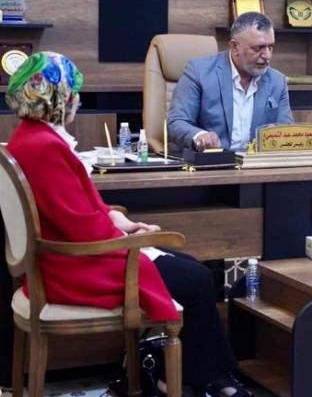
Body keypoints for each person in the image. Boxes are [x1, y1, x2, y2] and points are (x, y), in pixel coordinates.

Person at [6, 52, 252, 397]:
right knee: (197, 280)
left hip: (62, 261)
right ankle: (192, 379)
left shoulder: (28, 137)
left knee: (191, 269)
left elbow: (73, 209)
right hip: (74, 269)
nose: (78, 100)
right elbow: (80, 227)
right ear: (56, 97)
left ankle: (207, 376)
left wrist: (118, 220)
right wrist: (131, 238)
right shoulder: (46, 147)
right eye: (74, 93)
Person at [168, 12, 293, 151]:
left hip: (256, 161)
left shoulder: (277, 81)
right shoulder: (199, 72)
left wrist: (277, 132)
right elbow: (176, 122)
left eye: (270, 47)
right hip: (214, 160)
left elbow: (286, 128)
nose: (267, 56)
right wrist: (200, 136)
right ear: (234, 47)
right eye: (258, 48)